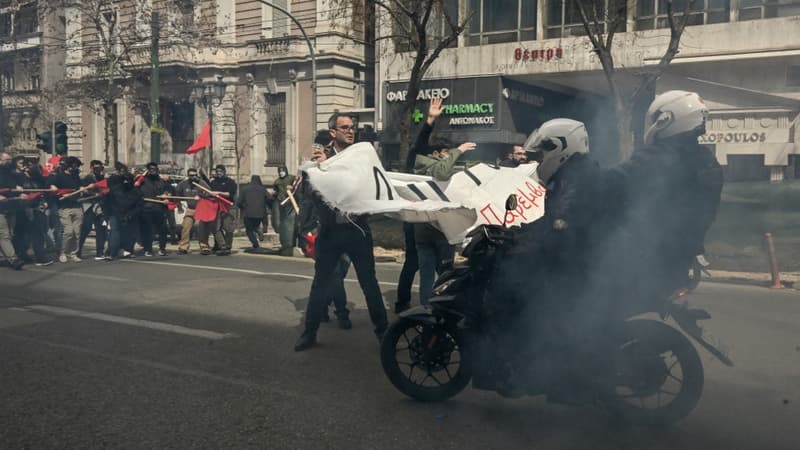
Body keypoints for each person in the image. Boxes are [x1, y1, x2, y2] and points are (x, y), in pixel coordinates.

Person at [612, 90, 723, 302]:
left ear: (666, 119)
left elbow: (613, 181)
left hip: (645, 258)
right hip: (680, 254)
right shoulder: (706, 159)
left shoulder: (659, 158)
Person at [293, 113, 388, 351]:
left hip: (358, 231)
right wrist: (322, 169)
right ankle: (309, 333)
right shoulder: (320, 159)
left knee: (370, 284)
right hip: (330, 233)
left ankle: (384, 334)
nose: (350, 130)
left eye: (352, 127)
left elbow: (375, 183)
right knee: (320, 284)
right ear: (333, 132)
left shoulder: (362, 158)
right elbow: (310, 193)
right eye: (344, 127)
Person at [413, 118, 477, 305]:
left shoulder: (421, 164)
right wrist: (459, 150)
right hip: (436, 230)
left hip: (431, 229)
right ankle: (435, 309)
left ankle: (430, 307)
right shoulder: (425, 166)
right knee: (440, 275)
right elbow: (441, 172)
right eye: (446, 154)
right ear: (436, 153)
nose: (450, 158)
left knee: (434, 275)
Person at [49, 156, 90, 263]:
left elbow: (81, 186)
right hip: (64, 207)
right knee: (68, 232)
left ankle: (73, 253)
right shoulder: (59, 176)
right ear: (69, 166)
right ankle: (62, 252)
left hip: (77, 206)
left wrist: (82, 188)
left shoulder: (76, 176)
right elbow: (50, 185)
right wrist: (53, 187)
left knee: (77, 232)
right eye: (74, 165)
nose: (76, 167)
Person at [106, 162, 142, 259]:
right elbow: (109, 202)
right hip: (116, 214)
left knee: (129, 234)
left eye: (129, 180)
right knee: (115, 233)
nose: (127, 182)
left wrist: (131, 214)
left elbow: (139, 205)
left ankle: (128, 250)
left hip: (129, 214)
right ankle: (112, 252)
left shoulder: (136, 192)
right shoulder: (115, 189)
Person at [137, 162, 170, 256]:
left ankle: (162, 248)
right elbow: (135, 186)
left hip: (160, 208)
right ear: (147, 170)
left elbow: (168, 190)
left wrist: (166, 195)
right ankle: (148, 249)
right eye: (151, 169)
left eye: (155, 169)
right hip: (146, 208)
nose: (153, 171)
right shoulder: (142, 180)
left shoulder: (161, 180)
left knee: (163, 230)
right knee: (148, 230)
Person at [77, 160, 109, 260]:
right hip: (89, 206)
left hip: (100, 207)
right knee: (85, 229)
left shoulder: (104, 178)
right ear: (91, 168)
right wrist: (92, 193)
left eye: (100, 168)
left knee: (101, 230)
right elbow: (83, 191)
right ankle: (78, 251)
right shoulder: (87, 178)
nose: (98, 170)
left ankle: (100, 252)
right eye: (96, 168)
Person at [0, 152, 24, 270]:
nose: (9, 162)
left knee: (10, 233)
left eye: (10, 159)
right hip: (0, 209)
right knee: (4, 235)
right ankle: (13, 259)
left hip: (11, 206)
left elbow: (16, 186)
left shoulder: (12, 173)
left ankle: (4, 255)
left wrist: (19, 190)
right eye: (7, 160)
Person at [210, 165, 237, 255]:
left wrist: (218, 193)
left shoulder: (230, 182)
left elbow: (229, 194)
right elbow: (209, 193)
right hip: (217, 206)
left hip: (228, 206)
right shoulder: (213, 182)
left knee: (229, 228)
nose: (219, 173)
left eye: (220, 171)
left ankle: (228, 246)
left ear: (224, 171)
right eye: (217, 171)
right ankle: (222, 246)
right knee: (216, 228)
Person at [237, 175, 270, 249]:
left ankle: (255, 243)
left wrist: (243, 208)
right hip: (260, 213)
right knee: (255, 225)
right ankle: (258, 230)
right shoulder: (263, 189)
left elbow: (239, 202)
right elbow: (270, 198)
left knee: (249, 230)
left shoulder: (244, 189)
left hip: (248, 213)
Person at [175, 168, 203, 254]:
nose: (193, 177)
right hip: (190, 209)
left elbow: (208, 192)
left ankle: (204, 246)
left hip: (200, 209)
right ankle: (184, 247)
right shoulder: (183, 184)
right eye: (191, 175)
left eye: (194, 175)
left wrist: (201, 196)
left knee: (201, 228)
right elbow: (176, 195)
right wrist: (179, 206)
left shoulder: (200, 183)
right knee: (185, 227)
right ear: (188, 175)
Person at [273, 165, 297, 256]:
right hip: (281, 203)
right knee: (282, 222)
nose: (281, 172)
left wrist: (292, 187)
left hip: (291, 202)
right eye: (280, 170)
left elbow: (296, 185)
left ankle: (291, 241)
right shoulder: (277, 181)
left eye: (283, 170)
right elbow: (275, 190)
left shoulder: (291, 178)